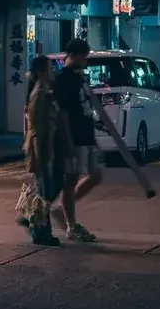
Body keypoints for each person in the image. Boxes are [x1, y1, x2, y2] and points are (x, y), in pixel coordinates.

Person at [50, 38, 101, 243]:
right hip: (75, 138)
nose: (86, 61)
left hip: (87, 136)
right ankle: (71, 224)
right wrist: (68, 142)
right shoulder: (63, 79)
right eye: (84, 57)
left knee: (95, 175)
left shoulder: (80, 78)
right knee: (70, 181)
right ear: (73, 55)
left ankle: (61, 209)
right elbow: (62, 113)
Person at [19, 54, 73, 247]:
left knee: (49, 187)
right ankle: (40, 230)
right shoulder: (40, 94)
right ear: (41, 72)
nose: (54, 71)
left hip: (50, 147)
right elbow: (38, 130)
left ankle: (31, 218)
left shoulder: (46, 91)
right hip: (44, 148)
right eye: (50, 68)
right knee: (46, 189)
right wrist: (42, 156)